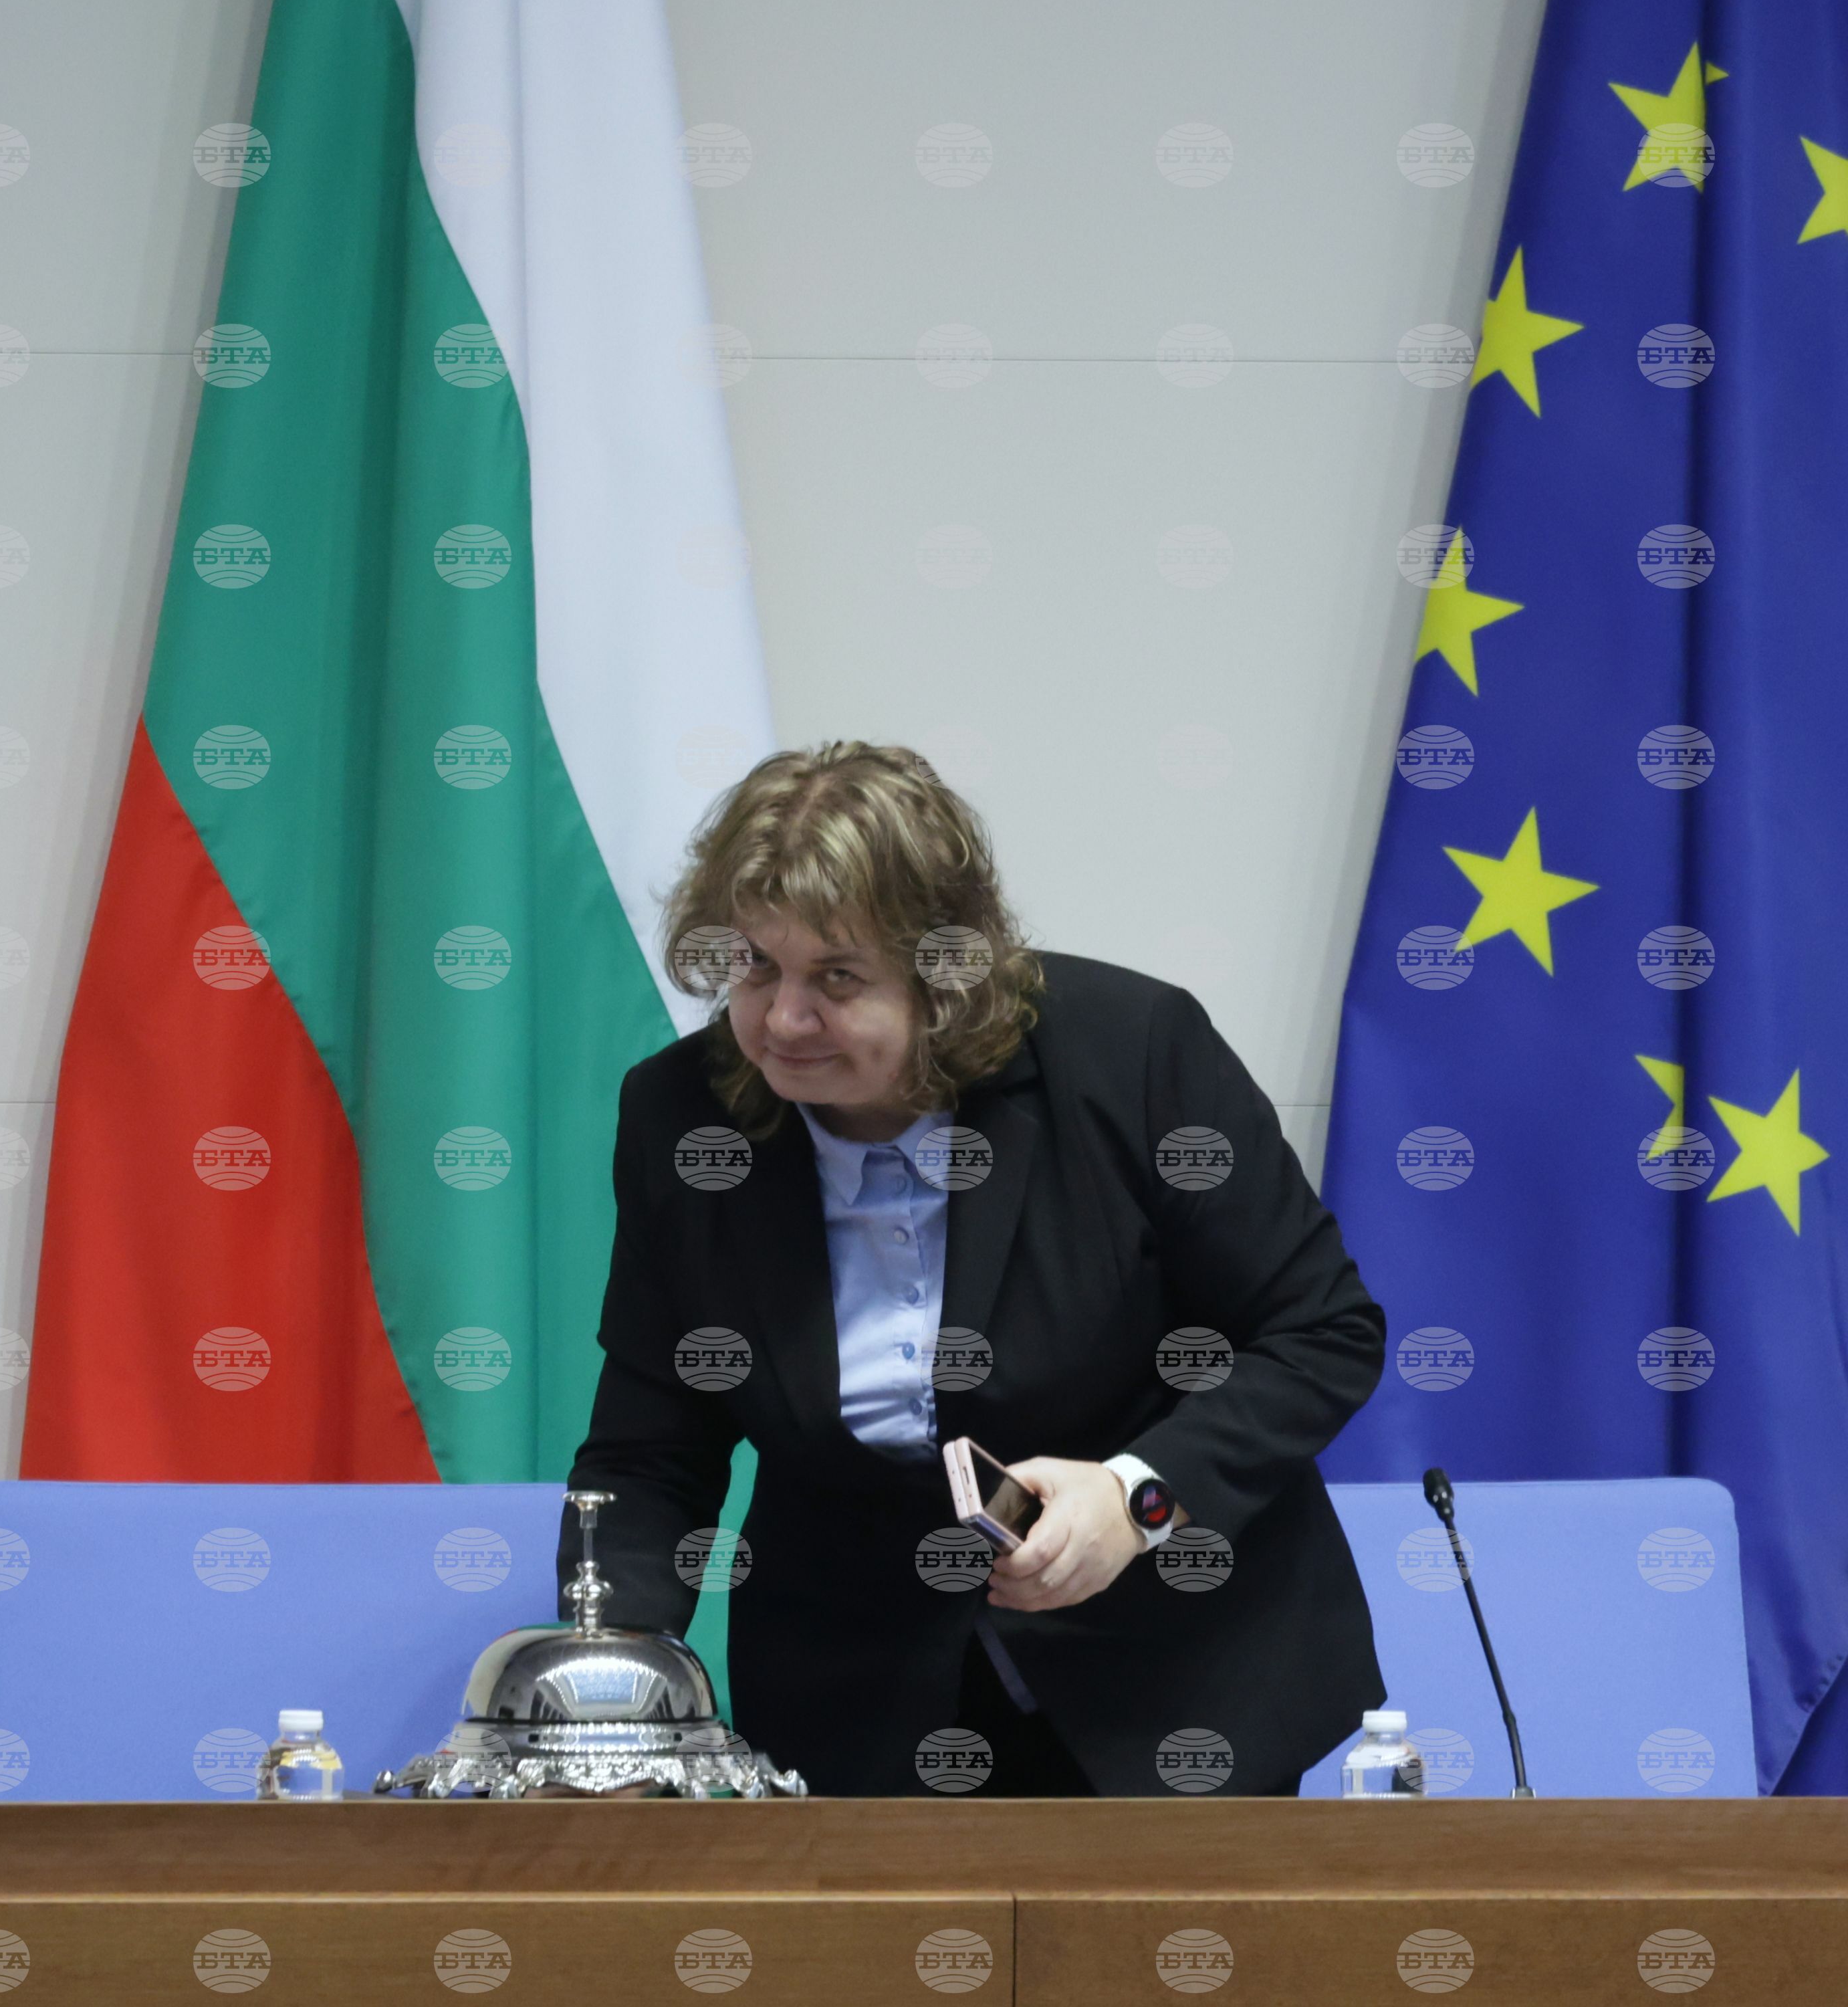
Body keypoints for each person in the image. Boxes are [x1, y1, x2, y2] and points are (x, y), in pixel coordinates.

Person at [559, 741, 1386, 1796]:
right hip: (856, 1708)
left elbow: (1318, 1332)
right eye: (755, 966)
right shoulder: (683, 1116)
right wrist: (617, 1707)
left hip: (1175, 1685)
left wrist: (1137, 1499)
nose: (782, 1020)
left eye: (837, 977)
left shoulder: (1131, 1053)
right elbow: (650, 1451)